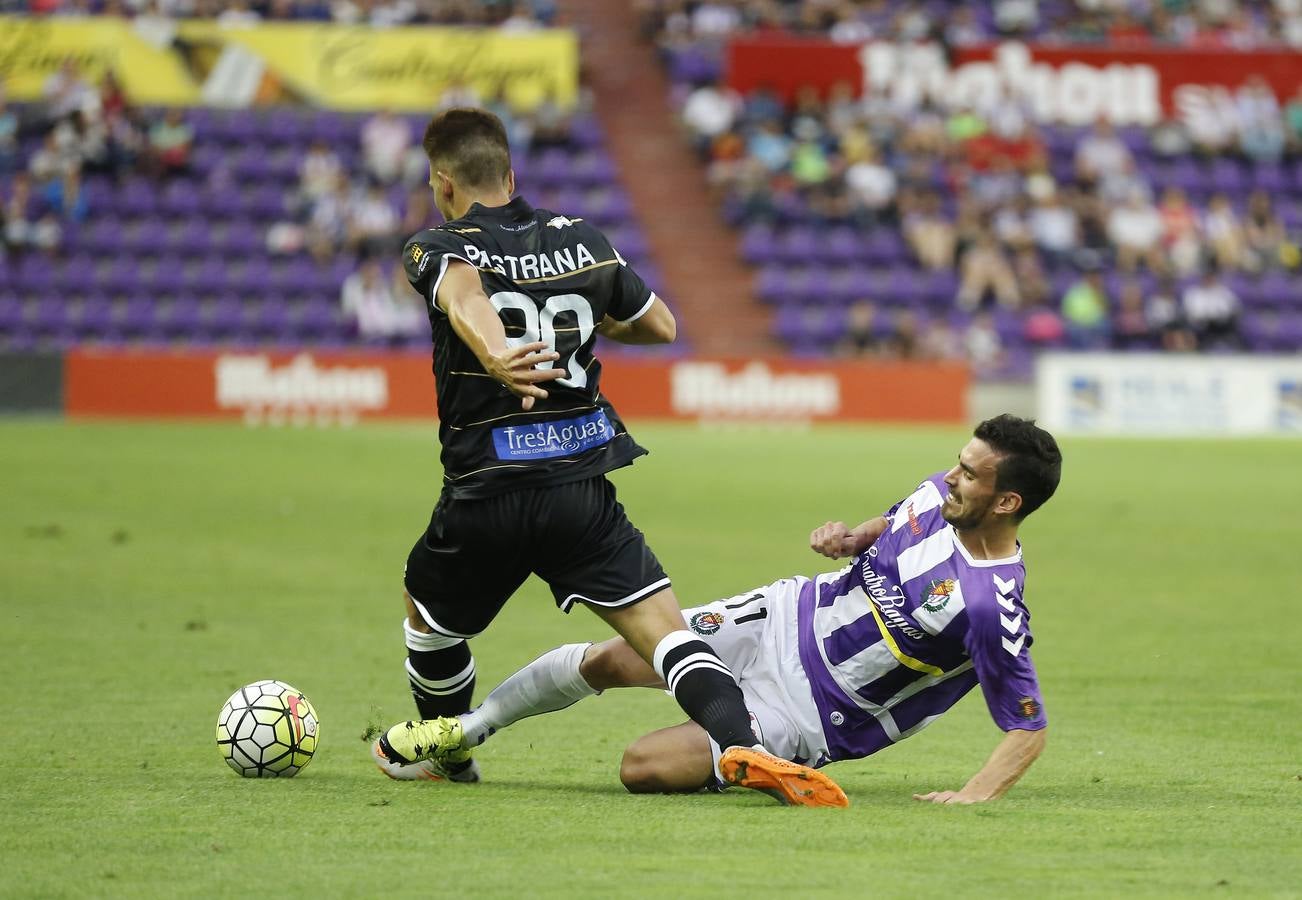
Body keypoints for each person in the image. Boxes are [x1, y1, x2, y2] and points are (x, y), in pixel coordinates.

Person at [370, 108, 846, 807]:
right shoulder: (581, 240)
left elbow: (463, 295)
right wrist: (585, 319)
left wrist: (498, 353)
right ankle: (741, 743)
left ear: (443, 183)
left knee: (428, 614)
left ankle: (446, 747)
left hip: (487, 489)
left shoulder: (436, 244)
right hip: (580, 490)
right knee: (665, 633)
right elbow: (659, 325)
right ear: (511, 171)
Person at [397, 415, 1061, 804]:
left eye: (971, 476)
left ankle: (758, 758)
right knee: (613, 659)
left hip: (810, 714)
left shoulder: (989, 604)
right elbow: (891, 523)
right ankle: (465, 731)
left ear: (1007, 503)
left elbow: (1027, 725)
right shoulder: (934, 496)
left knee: (641, 768)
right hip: (780, 617)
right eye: (958, 463)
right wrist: (851, 539)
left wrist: (974, 794)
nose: (952, 477)